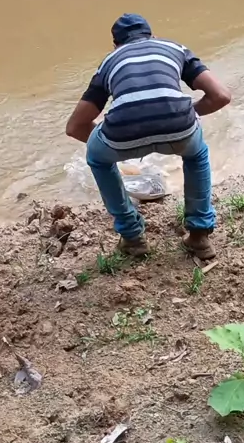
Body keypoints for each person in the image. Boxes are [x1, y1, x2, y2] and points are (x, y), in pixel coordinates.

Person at [66, 13, 231, 259]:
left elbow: (75, 127)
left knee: (97, 158)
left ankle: (132, 237)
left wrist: (118, 146)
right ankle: (199, 236)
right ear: (152, 36)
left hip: (122, 131)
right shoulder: (175, 48)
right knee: (196, 155)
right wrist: (187, 114)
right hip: (180, 127)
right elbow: (221, 96)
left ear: (115, 44)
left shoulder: (110, 61)